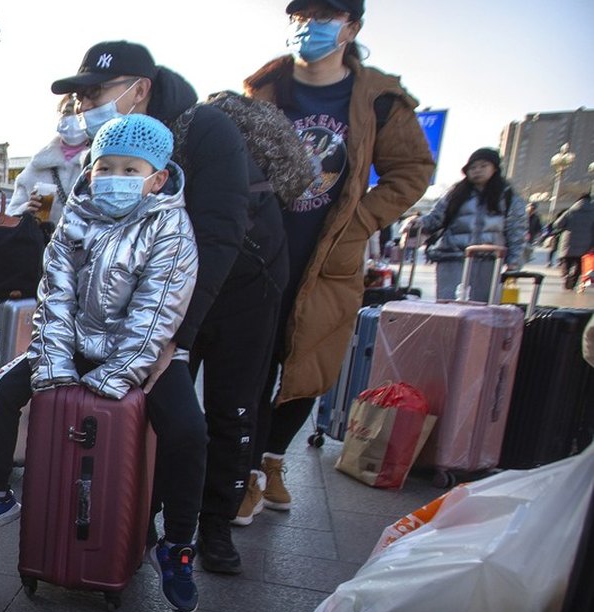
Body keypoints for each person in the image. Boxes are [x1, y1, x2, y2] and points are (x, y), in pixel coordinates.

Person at [30, 41, 288, 576]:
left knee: (227, 408)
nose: (84, 106)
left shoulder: (205, 130)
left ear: (139, 89)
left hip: (239, 283)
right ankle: (135, 523)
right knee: (144, 399)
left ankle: (211, 528)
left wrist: (179, 336)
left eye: (93, 92)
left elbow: (220, 236)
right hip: (160, 290)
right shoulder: (111, 149)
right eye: (77, 98)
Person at [0, 113, 207, 612]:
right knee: (2, 390)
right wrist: (52, 365)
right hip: (75, 342)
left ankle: (175, 545)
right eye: (106, 166)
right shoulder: (76, 216)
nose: (116, 178)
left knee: (187, 430)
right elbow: (56, 296)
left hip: (147, 352)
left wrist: (114, 376)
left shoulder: (171, 225)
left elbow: (157, 310)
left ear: (157, 177)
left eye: (131, 170)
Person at [243, 0, 434, 522]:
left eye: (324, 16)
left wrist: (360, 221)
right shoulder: (265, 87)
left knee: (310, 364)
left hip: (331, 254)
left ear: (350, 27)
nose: (309, 27)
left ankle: (272, 460)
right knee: (252, 363)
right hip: (263, 249)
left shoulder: (379, 98)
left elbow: (412, 170)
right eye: (301, 16)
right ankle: (247, 474)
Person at [412, 148, 526, 301]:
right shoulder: (455, 194)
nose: (477, 170)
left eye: (483, 166)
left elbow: (516, 231)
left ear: (495, 168)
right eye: (473, 167)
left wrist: (513, 262)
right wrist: (418, 223)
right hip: (452, 259)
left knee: (481, 309)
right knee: (448, 305)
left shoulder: (508, 197)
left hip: (488, 262)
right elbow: (436, 218)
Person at [5, 95, 89, 226]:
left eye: (79, 112)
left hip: (85, 244)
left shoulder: (100, 161)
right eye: (67, 112)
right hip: (41, 244)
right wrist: (27, 209)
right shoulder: (36, 166)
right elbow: (10, 215)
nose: (72, 118)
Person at [551, 194, 594, 291]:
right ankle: (573, 282)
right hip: (586, 244)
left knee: (566, 261)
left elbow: (557, 224)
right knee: (579, 265)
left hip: (568, 242)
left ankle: (565, 276)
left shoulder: (570, 211)